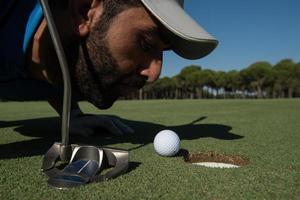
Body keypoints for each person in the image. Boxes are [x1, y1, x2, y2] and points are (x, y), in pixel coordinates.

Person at [0, 0, 218, 136]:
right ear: (85, 10)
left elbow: (60, 69)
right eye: (146, 43)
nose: (154, 74)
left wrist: (72, 115)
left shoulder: (67, 60)